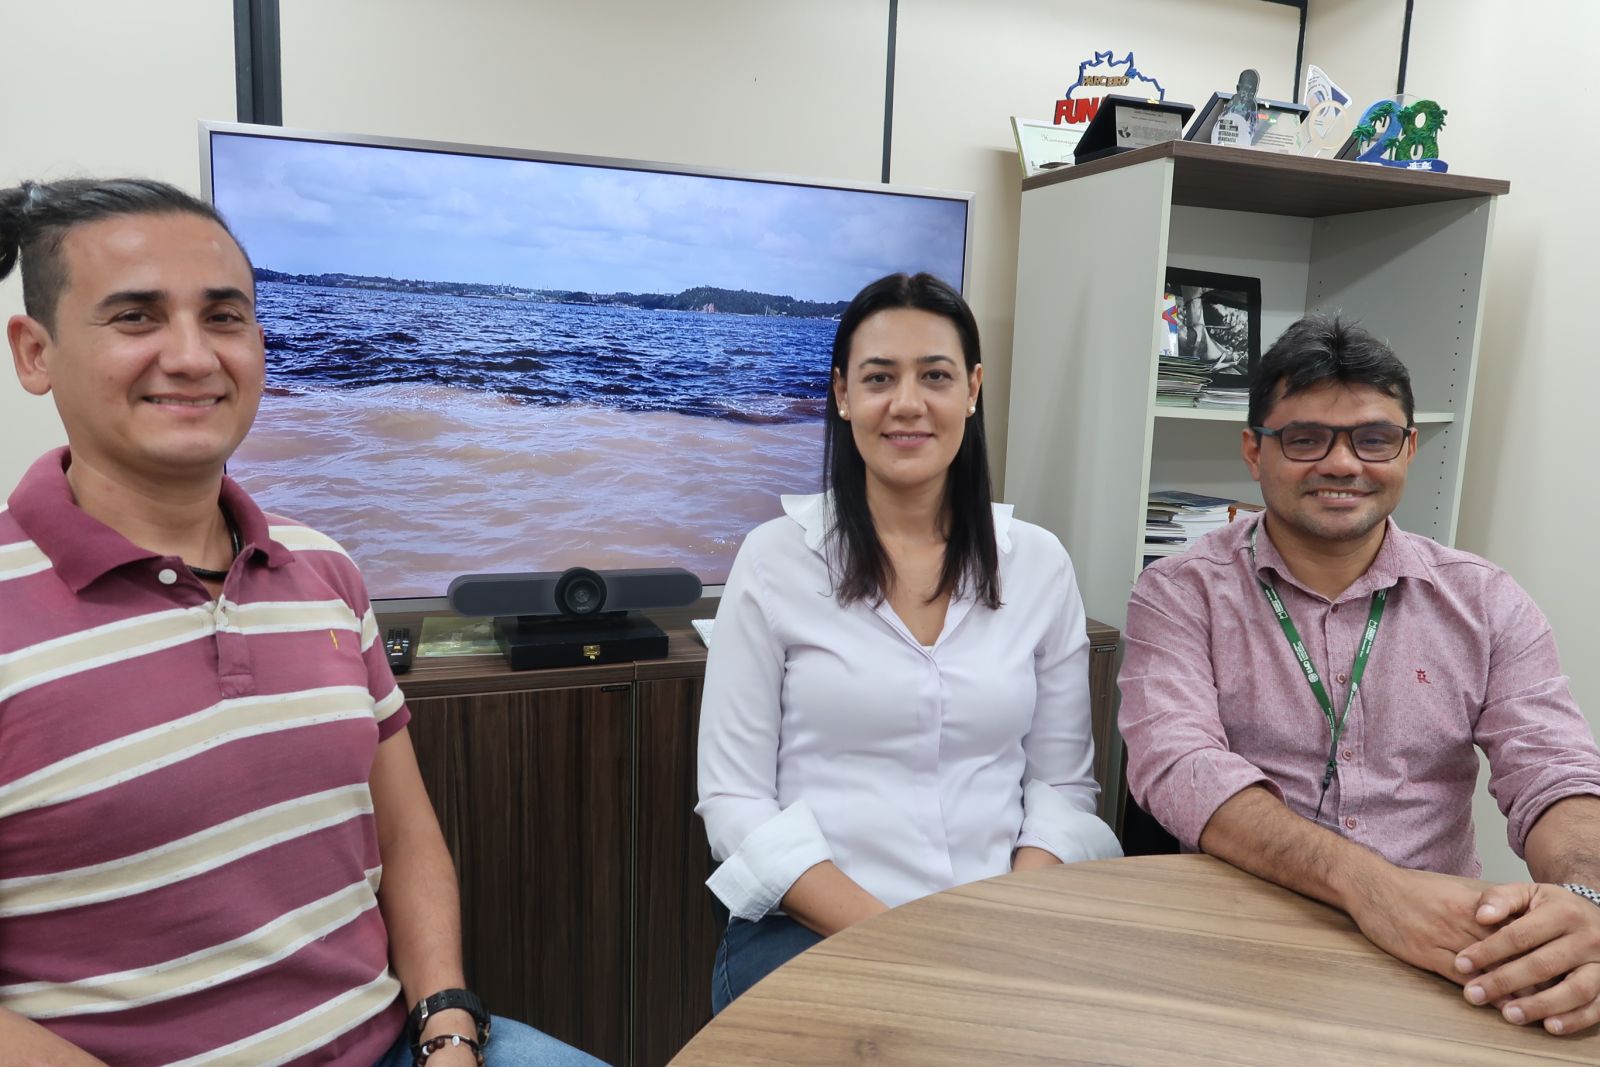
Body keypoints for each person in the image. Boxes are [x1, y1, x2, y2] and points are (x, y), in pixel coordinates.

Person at [0, 178, 603, 1066]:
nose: (192, 356)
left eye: (224, 317)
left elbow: (402, 835)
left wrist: (446, 1027)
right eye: (135, 317)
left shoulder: (325, 570)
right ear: (35, 352)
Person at [1119, 313, 1600, 1037]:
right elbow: (1179, 766)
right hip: (1238, 940)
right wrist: (1373, 888)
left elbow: (1555, 770)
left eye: (1374, 438)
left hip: (1444, 954)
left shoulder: (1485, 600)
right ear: (1254, 450)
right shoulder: (1179, 593)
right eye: (1306, 438)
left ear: (1408, 448)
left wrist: (1585, 898)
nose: (1343, 464)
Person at [696, 272, 1121, 1013]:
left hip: (1000, 920)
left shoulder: (1039, 563)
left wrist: (1006, 922)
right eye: (879, 377)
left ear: (973, 389)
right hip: (814, 928)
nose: (907, 403)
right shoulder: (773, 561)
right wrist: (907, 943)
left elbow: (1062, 786)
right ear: (841, 394)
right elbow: (735, 801)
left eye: (935, 376)